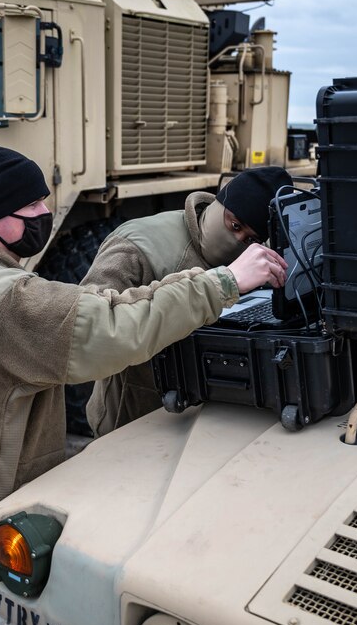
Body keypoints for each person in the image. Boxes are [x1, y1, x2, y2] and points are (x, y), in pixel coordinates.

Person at [0, 144, 287, 625]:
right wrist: (226, 283)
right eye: (33, 208)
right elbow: (114, 326)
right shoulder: (8, 301)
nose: (46, 214)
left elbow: (103, 303)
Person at [80, 166, 294, 436]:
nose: (236, 240)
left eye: (250, 238)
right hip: (134, 418)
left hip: (205, 417)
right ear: (220, 203)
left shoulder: (254, 259)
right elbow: (91, 329)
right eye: (235, 225)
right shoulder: (138, 246)